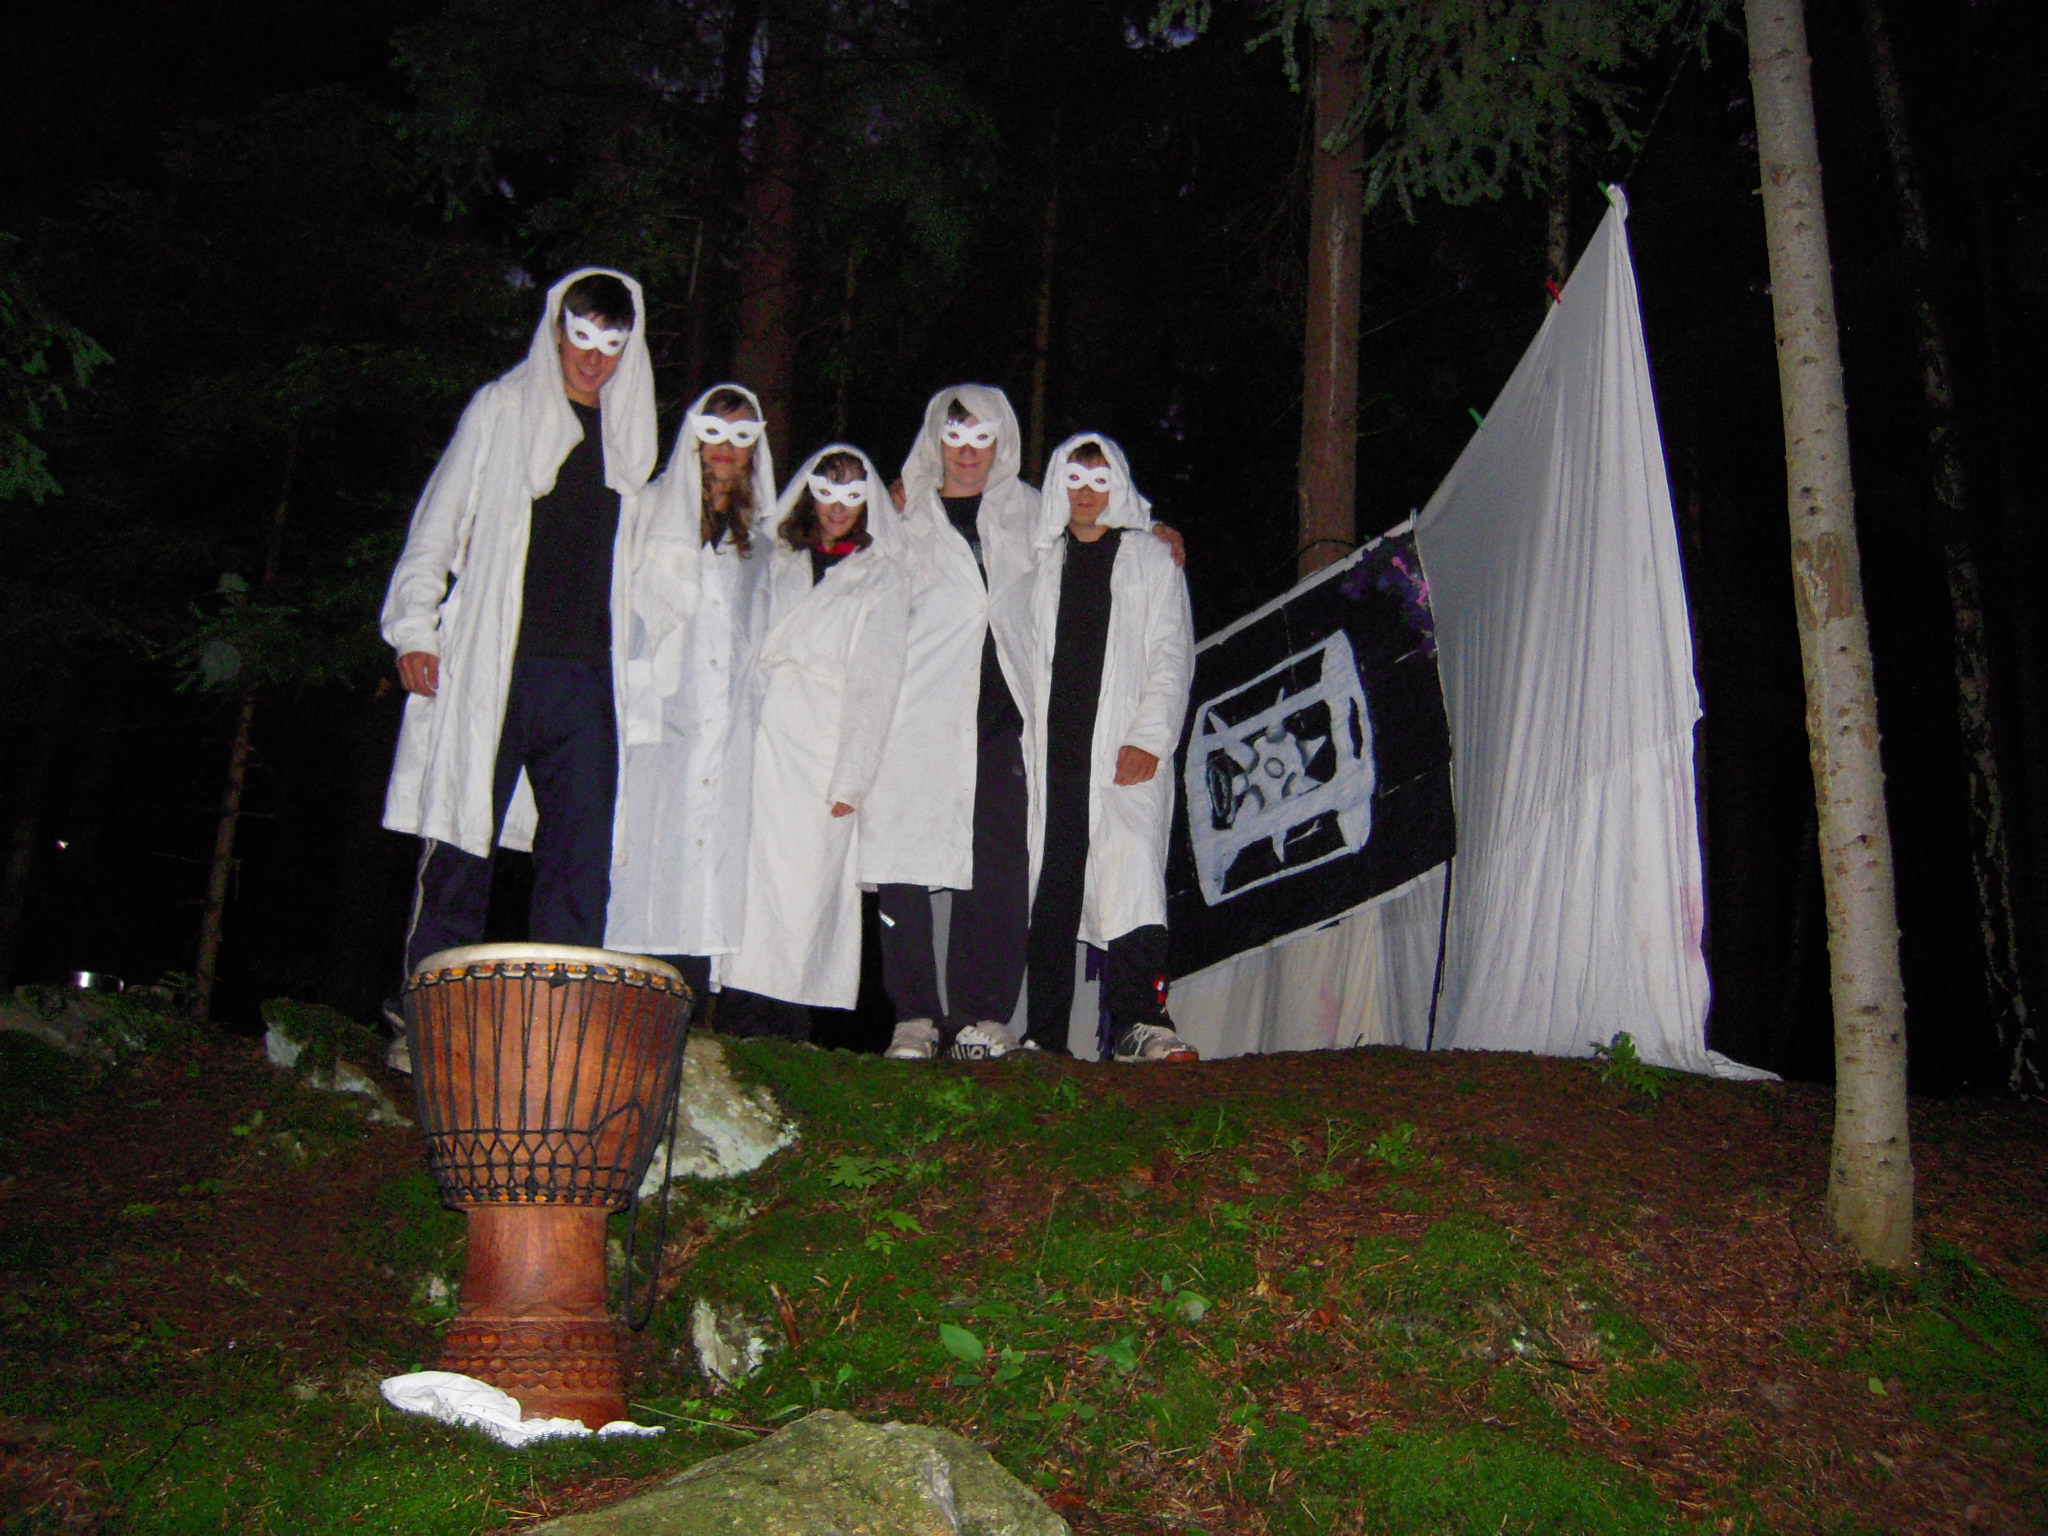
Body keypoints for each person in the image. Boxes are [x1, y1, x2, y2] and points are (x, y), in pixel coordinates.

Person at [379, 268, 662, 1071]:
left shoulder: (631, 440)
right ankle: (428, 1018)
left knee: (580, 859)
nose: (594, 357)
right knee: (460, 842)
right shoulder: (502, 409)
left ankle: (559, 1029)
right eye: (582, 336)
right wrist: (415, 628)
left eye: (612, 342)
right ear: (557, 329)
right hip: (495, 665)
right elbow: (437, 523)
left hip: (588, 678)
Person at [865, 387, 1187, 1062]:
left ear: (1002, 441)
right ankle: (919, 1017)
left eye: (983, 438)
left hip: (1007, 724)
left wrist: (1155, 527)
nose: (968, 453)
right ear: (935, 438)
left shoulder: (1029, 512)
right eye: (955, 437)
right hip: (920, 715)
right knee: (905, 860)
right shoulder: (903, 516)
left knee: (1010, 873)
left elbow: (1101, 510)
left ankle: (988, 1017)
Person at [994, 433, 1199, 1062]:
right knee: (1055, 887)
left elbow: (1172, 652)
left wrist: (1149, 738)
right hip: (1059, 755)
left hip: (1124, 751)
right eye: (1075, 480)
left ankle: (1141, 1022)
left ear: (1119, 485)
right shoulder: (1041, 565)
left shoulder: (1151, 559)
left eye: (1100, 480)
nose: (1086, 494)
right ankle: (1045, 1034)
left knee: (1132, 872)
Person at [720, 446, 909, 1033]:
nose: (838, 507)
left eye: (853, 494)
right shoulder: (776, 558)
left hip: (823, 745)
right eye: (828, 491)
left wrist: (853, 777)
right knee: (749, 882)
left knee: (805, 889)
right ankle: (736, 1013)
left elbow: (876, 681)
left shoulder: (881, 575)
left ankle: (789, 1022)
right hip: (762, 734)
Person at [604, 384, 779, 1019]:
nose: (725, 448)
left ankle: (687, 1020)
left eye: (741, 435)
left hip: (726, 731)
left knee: (707, 875)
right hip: (652, 722)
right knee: (642, 867)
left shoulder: (762, 540)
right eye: (714, 431)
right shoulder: (648, 510)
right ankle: (621, 1010)